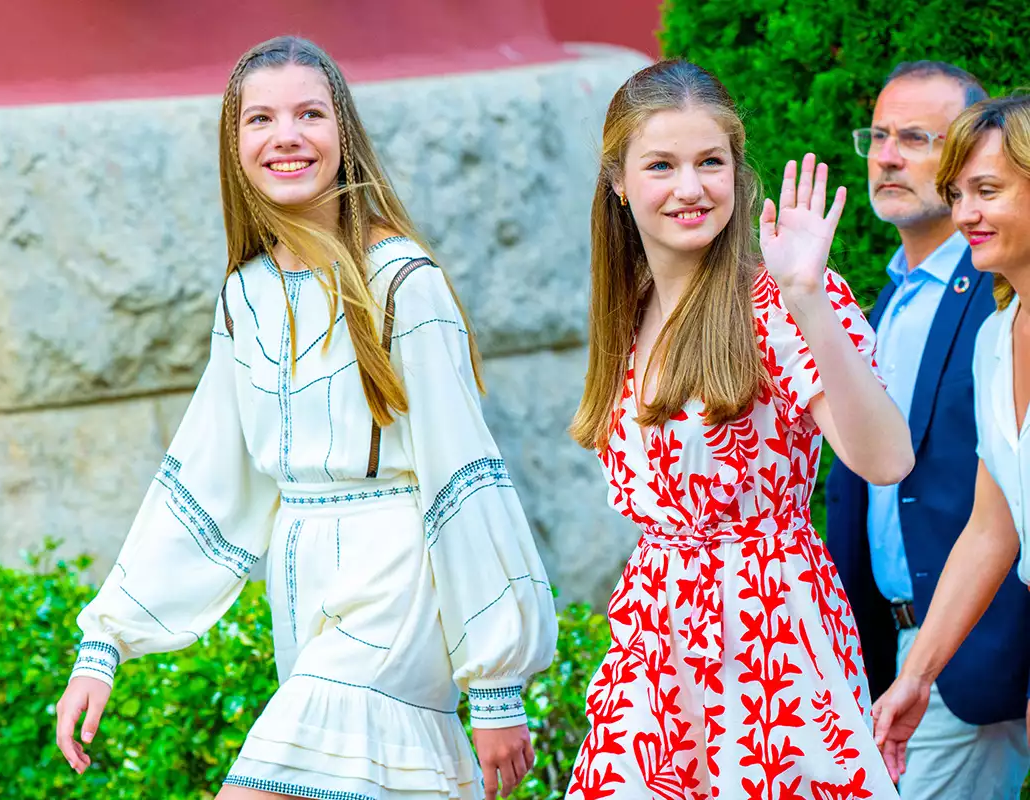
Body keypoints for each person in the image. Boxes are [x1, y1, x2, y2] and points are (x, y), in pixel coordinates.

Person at [52, 35, 558, 800]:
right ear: (235, 144)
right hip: (303, 583)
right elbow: (206, 473)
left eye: (309, 114)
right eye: (260, 119)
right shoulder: (245, 295)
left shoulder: (403, 282)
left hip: (395, 580)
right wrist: (106, 642)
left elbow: (463, 471)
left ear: (343, 132)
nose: (286, 136)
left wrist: (494, 684)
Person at [565, 59, 913, 799]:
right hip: (655, 646)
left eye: (710, 162)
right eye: (661, 165)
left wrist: (808, 298)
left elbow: (886, 460)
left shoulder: (777, 302)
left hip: (770, 639)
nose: (690, 188)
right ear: (618, 180)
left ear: (736, 170)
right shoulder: (627, 310)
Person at [825, 61, 1030, 799]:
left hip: (990, 667)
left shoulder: (983, 310)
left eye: (987, 191)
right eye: (960, 192)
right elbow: (992, 524)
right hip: (913, 647)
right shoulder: (990, 333)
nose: (967, 212)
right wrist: (912, 674)